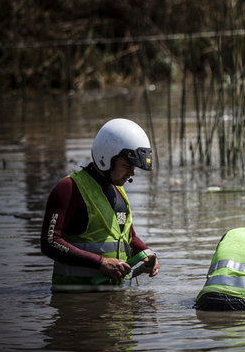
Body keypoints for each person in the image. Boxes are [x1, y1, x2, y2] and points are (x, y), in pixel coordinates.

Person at [40, 118, 159, 288]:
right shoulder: (69, 188)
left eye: (134, 167)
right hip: (76, 303)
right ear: (107, 157)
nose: (132, 173)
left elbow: (128, 238)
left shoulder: (119, 191)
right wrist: (99, 262)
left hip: (114, 300)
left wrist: (146, 253)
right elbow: (50, 243)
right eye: (126, 165)